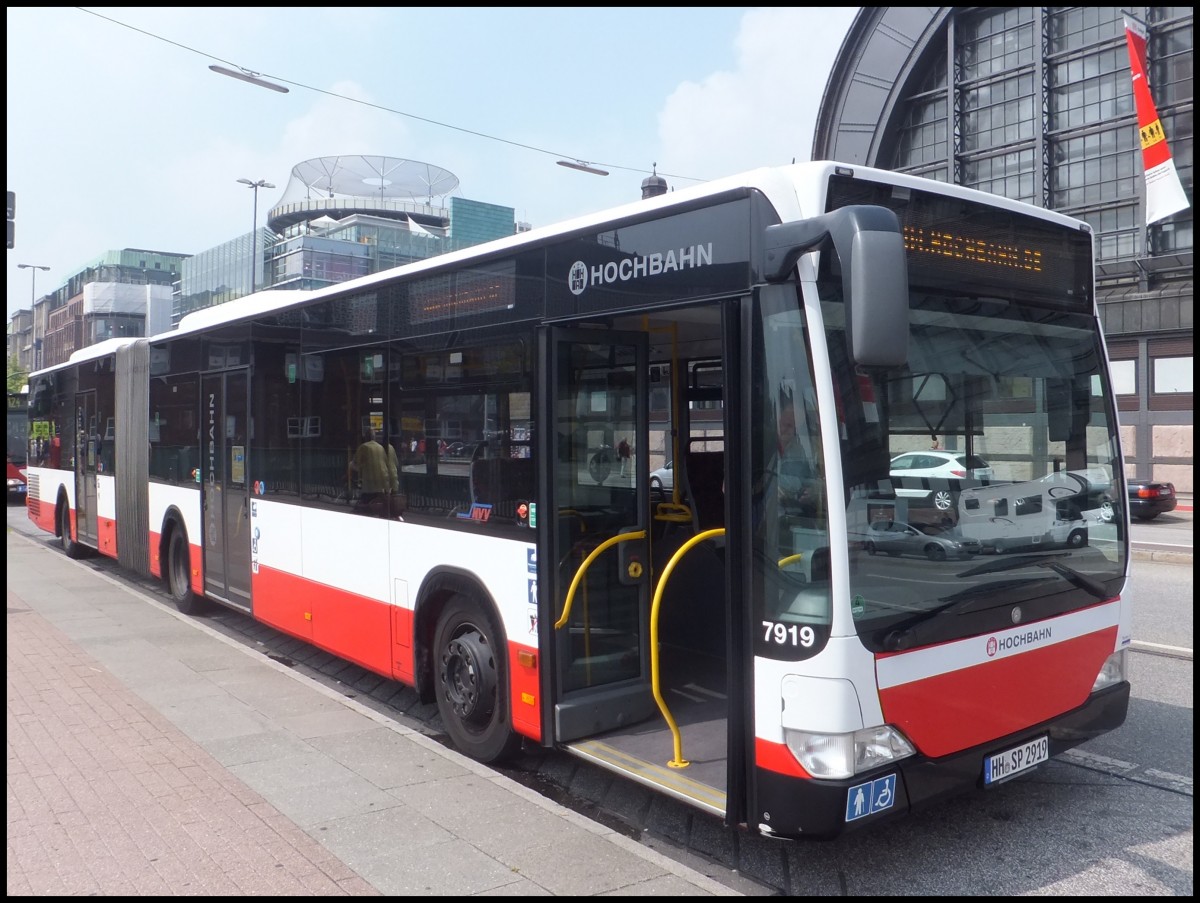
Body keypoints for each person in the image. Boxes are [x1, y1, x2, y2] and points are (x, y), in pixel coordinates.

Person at [352, 427, 399, 509]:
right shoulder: (382, 448)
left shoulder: (364, 447)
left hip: (370, 485)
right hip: (385, 483)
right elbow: (391, 463)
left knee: (364, 503)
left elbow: (356, 463)